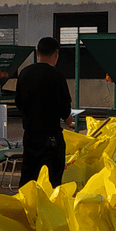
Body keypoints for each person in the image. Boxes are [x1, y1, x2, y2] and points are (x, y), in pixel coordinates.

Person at [14, 36, 74, 187]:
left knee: (28, 177)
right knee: (53, 180)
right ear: (56, 54)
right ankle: (49, 208)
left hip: (30, 137)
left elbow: (18, 103)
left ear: (37, 52)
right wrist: (69, 120)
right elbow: (64, 109)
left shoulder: (24, 73)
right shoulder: (57, 76)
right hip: (51, 138)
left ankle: (27, 207)